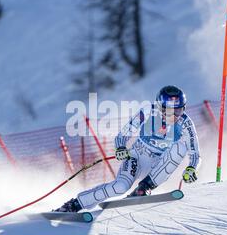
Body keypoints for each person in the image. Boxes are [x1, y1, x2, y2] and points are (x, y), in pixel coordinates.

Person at [54, 85, 201, 212]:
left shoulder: (186, 123)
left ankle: (144, 188)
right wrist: (120, 148)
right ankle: (74, 204)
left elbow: (195, 153)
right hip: (137, 156)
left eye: (179, 110)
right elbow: (122, 135)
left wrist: (192, 168)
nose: (175, 116)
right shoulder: (148, 112)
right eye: (170, 111)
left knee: (181, 148)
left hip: (159, 166)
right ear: (159, 107)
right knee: (120, 187)